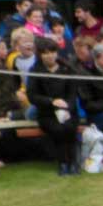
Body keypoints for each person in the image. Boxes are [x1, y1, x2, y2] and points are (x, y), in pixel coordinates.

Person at [27, 36, 80, 176]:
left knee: (69, 127)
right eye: (45, 53)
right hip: (47, 114)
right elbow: (32, 96)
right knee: (59, 129)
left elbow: (73, 94)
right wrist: (51, 101)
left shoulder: (68, 69)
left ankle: (73, 162)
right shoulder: (35, 71)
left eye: (52, 51)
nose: (50, 55)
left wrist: (67, 107)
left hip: (68, 111)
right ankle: (63, 163)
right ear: (40, 55)